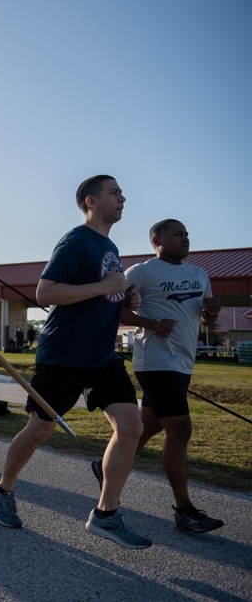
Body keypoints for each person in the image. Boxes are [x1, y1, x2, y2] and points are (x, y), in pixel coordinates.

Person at [0, 175, 151, 549]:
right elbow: (45, 292)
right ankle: (3, 488)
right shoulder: (77, 240)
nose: (123, 197)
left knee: (131, 426)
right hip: (64, 354)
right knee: (41, 429)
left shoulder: (110, 245)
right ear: (91, 201)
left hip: (102, 357)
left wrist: (124, 303)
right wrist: (105, 287)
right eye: (115, 192)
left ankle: (106, 515)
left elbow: (100, 300)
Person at [113, 219, 224, 533]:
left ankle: (107, 463)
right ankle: (184, 510)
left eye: (187, 234)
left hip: (184, 362)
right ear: (156, 239)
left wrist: (211, 313)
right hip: (156, 362)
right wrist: (150, 325)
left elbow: (205, 319)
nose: (186, 239)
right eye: (178, 234)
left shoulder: (199, 275)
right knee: (180, 431)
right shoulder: (141, 272)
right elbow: (114, 310)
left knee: (147, 426)